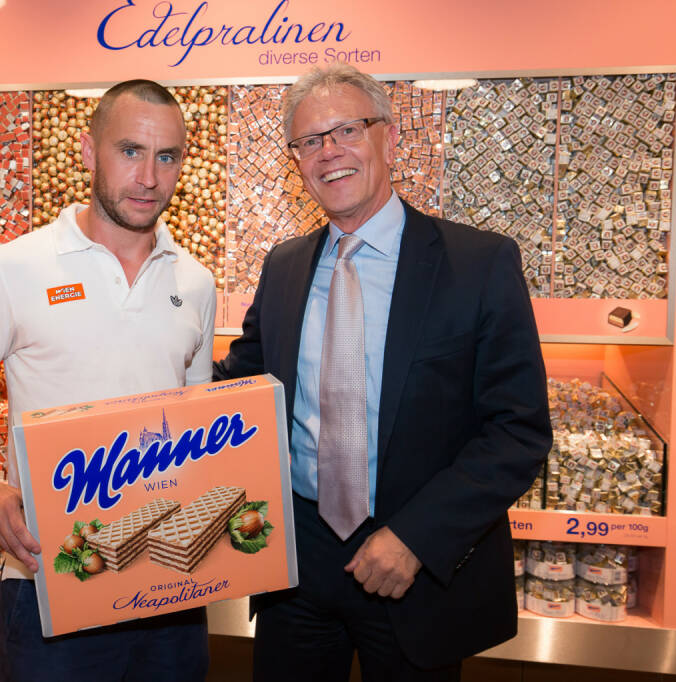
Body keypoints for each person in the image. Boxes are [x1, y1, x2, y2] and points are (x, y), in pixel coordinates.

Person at [215, 63, 552, 681]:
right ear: (295, 160)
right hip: (295, 563)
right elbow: (241, 385)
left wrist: (417, 539)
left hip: (412, 569)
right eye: (309, 141)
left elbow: (517, 431)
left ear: (390, 139)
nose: (328, 153)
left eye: (346, 130)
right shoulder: (284, 266)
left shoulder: (478, 263)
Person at [0, 79, 216, 682]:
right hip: (49, 580)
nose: (148, 178)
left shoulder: (195, 283)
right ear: (88, 152)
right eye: (130, 151)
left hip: (171, 583)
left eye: (167, 157)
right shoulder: (12, 268)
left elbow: (198, 420)